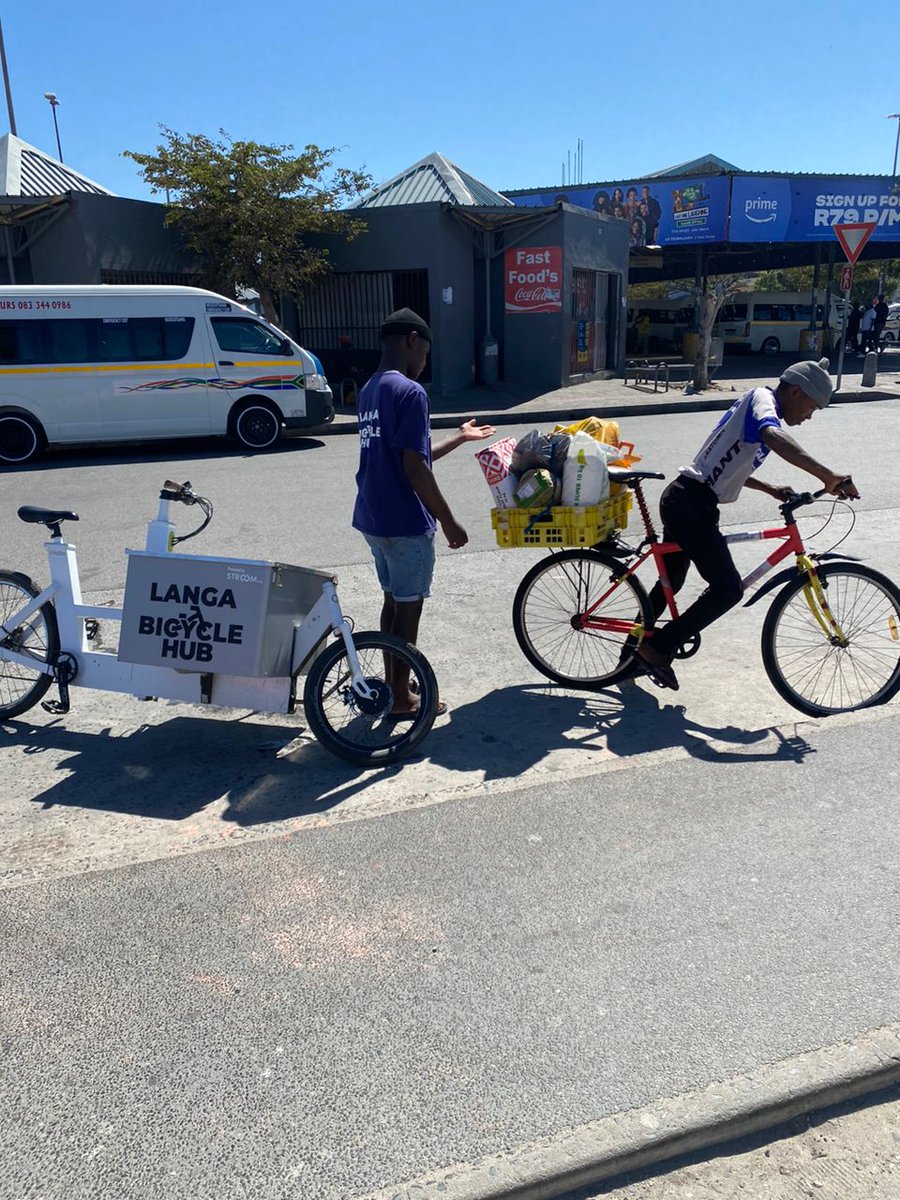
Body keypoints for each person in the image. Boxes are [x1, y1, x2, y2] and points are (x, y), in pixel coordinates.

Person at [636, 358, 859, 691]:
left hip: (691, 501)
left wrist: (769, 488)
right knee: (727, 590)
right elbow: (773, 436)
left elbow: (730, 461)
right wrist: (827, 476)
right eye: (812, 408)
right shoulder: (763, 402)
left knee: (673, 580)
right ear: (796, 392)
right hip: (689, 505)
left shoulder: (759, 405)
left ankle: (632, 648)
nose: (809, 417)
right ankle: (656, 648)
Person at [352, 308, 495, 716]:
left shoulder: (370, 390)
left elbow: (412, 455)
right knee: (409, 612)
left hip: (373, 520)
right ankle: (401, 697)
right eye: (426, 354)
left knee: (392, 604)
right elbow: (414, 469)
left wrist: (460, 437)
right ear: (412, 341)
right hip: (404, 522)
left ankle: (395, 680)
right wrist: (449, 520)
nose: (424, 363)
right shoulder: (411, 393)